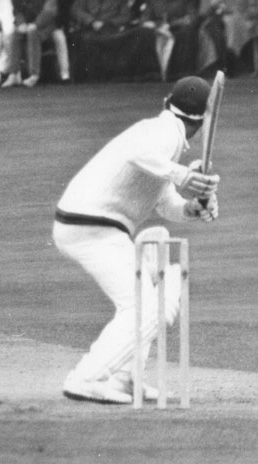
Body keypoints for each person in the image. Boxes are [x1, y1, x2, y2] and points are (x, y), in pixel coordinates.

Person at [53, 76, 220, 404]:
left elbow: (166, 203)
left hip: (95, 228)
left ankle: (129, 379)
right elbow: (139, 153)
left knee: (158, 302)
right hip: (90, 227)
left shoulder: (165, 138)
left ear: (165, 101)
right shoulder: (161, 132)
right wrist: (185, 175)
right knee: (142, 307)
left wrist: (193, 208)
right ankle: (87, 378)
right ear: (203, 122)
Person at [10, 0, 71, 86]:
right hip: (31, 24)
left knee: (59, 38)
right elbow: (17, 11)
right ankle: (13, 74)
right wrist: (21, 24)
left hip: (52, 24)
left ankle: (64, 74)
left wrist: (36, 24)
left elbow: (49, 12)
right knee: (16, 34)